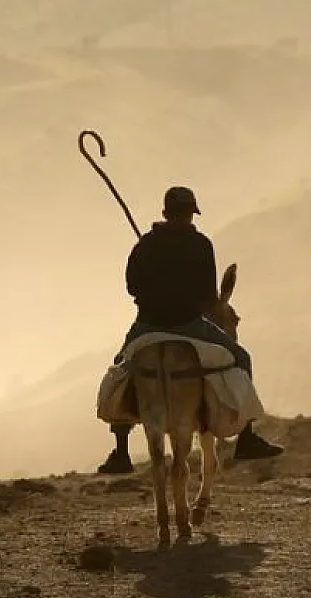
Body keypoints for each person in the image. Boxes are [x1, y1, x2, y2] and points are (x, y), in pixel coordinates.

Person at [98, 185, 284, 475]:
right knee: (243, 358)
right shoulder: (201, 244)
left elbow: (131, 285)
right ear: (190, 213)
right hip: (190, 325)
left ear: (164, 213)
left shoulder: (146, 245)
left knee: (121, 367)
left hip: (148, 325)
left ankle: (121, 452)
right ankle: (246, 438)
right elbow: (209, 296)